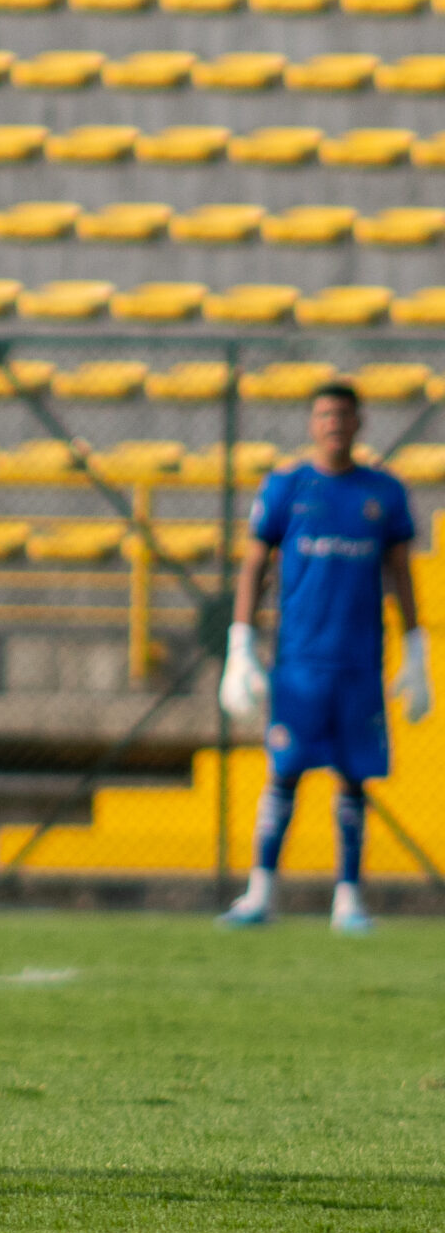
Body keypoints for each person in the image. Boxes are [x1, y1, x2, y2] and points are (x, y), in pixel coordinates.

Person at [218, 382, 428, 933]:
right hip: (300, 664)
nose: (334, 422)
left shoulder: (384, 493)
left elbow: (401, 570)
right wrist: (240, 644)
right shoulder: (287, 488)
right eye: (325, 414)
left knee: (353, 779)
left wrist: (416, 647)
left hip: (359, 663)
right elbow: (254, 566)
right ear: (313, 424)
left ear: (360, 423)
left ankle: (348, 898)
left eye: (344, 414)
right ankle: (260, 893)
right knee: (283, 773)